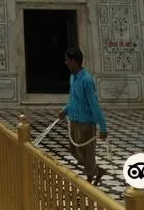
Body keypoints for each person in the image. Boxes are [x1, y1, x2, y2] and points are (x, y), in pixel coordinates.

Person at [58, 47, 108, 185]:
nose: (66, 63)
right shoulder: (73, 77)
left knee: (88, 155)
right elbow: (74, 99)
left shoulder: (86, 80)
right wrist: (65, 110)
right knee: (75, 151)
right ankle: (97, 171)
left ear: (74, 61)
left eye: (67, 61)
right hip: (74, 120)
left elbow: (94, 104)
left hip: (86, 124)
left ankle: (90, 183)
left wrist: (103, 128)